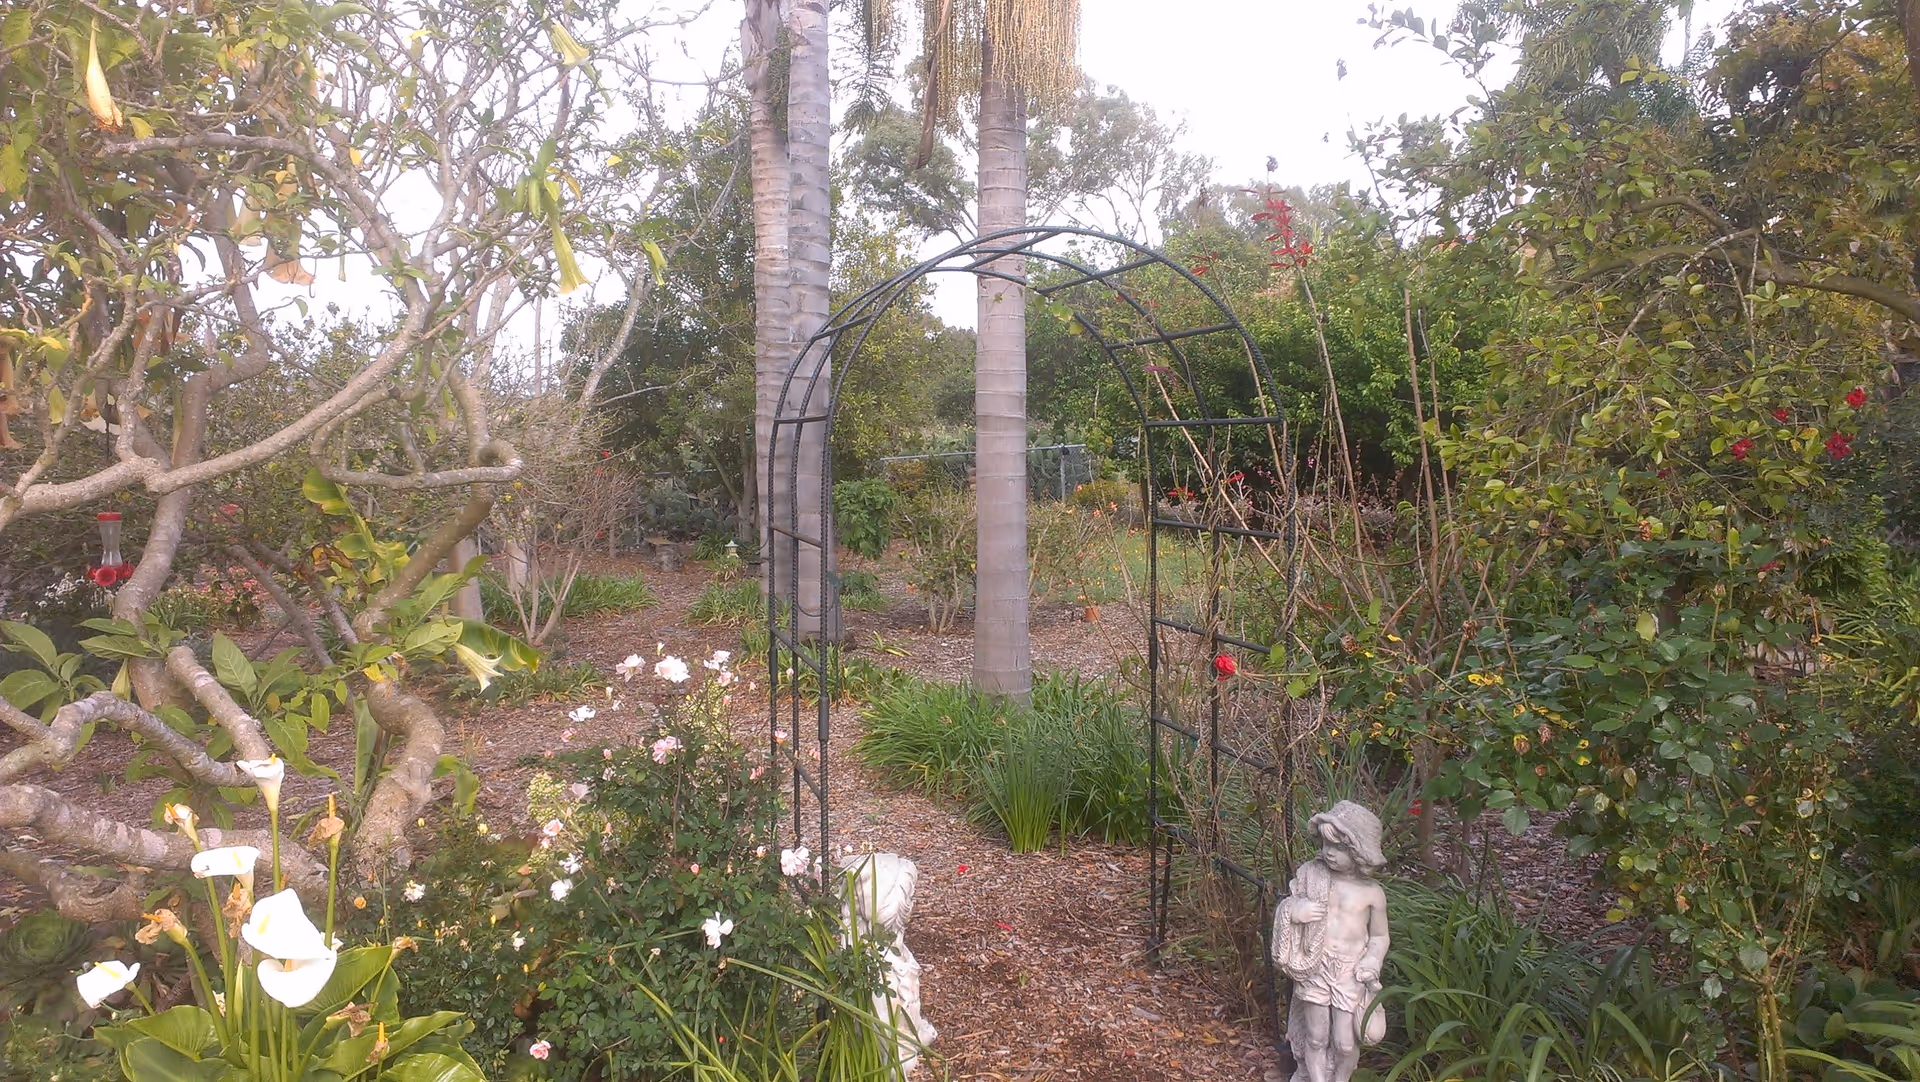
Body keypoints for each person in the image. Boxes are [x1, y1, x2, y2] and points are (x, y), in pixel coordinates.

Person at [1272, 801, 1390, 1082]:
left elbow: (1379, 936)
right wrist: (1295, 911)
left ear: (1360, 852)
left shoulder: (1372, 893)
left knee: (1345, 1043)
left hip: (1350, 972)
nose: (1329, 853)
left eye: (1339, 848)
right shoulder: (1312, 876)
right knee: (1315, 1038)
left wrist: (1372, 962)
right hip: (1315, 967)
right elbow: (1287, 908)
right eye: (1325, 844)